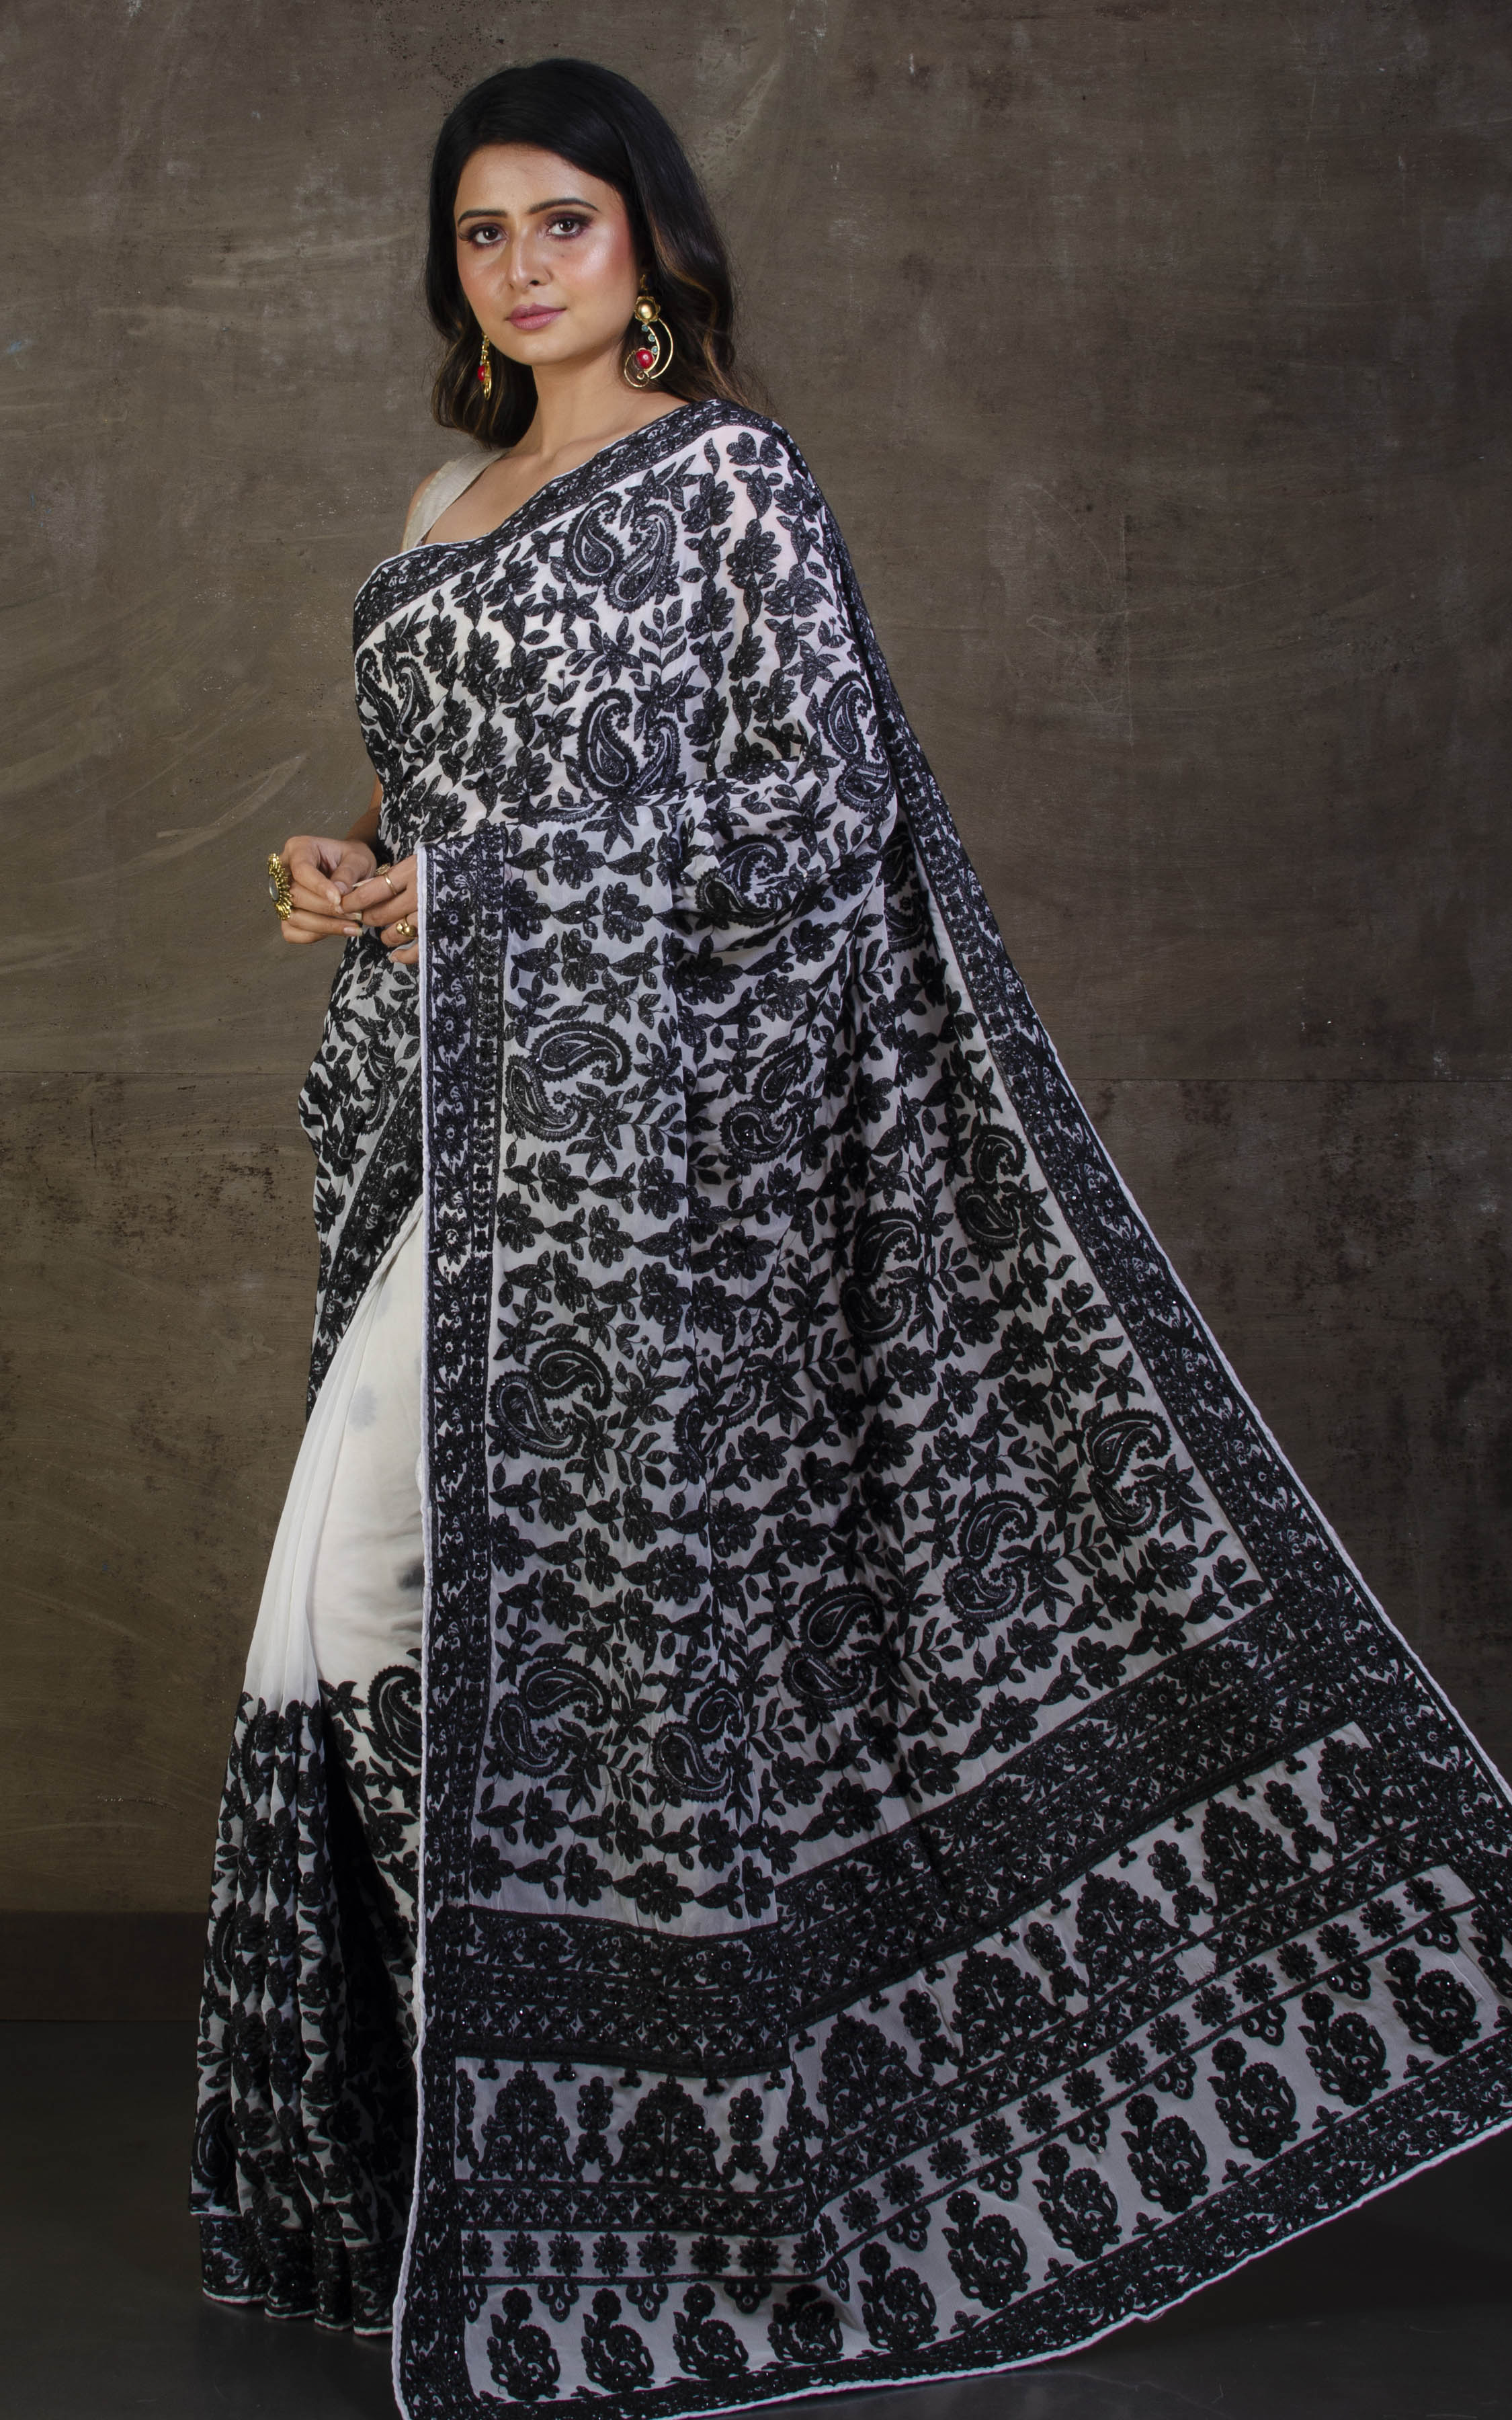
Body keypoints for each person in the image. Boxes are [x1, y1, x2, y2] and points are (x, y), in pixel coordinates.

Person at [194, 54, 1512, 2420]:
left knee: (466, 1613)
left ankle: (660, 2154)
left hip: (651, 1161)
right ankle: (509, 2126)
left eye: (564, 222)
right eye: (484, 232)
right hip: (457, 1137)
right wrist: (355, 874)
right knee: (368, 1615)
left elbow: (804, 823)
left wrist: (486, 890)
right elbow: (435, 813)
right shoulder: (444, 503)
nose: (522, 266)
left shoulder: (729, 486)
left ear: (646, 242)